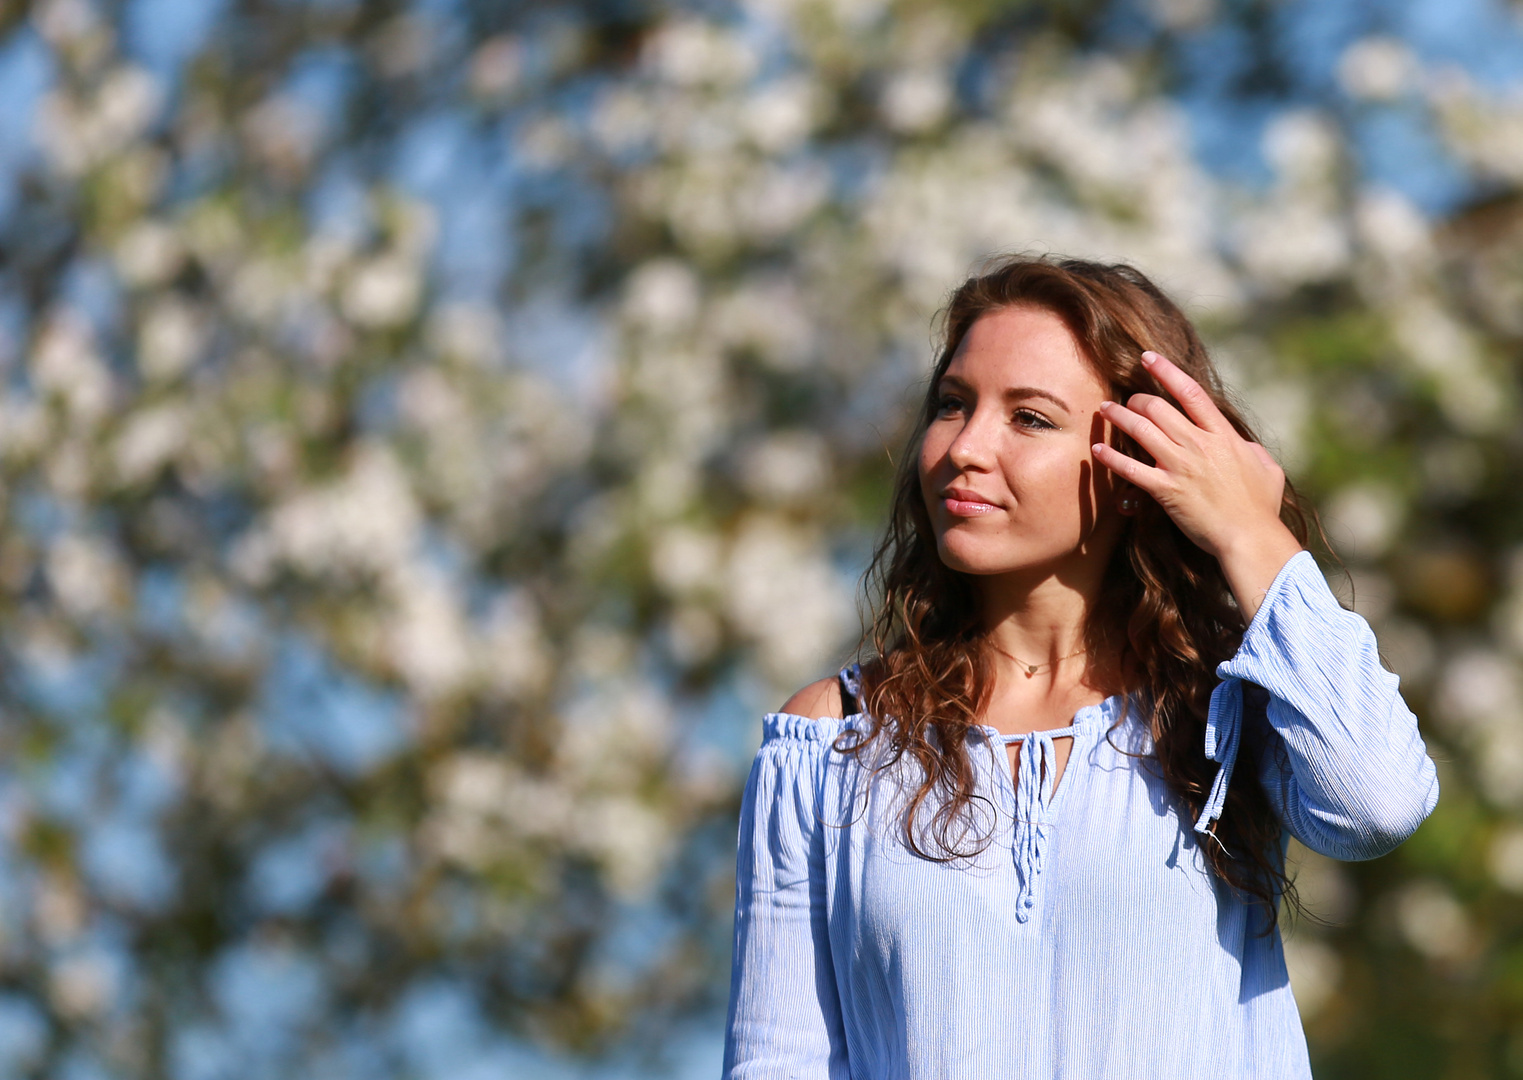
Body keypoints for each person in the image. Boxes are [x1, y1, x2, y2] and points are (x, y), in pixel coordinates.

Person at [720, 255, 1439, 1079]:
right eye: (953, 405)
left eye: (1028, 418)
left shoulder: (1225, 710)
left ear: (1138, 460)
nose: (964, 448)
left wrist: (1250, 534)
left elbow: (1374, 803)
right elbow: (777, 1060)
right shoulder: (836, 737)